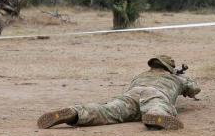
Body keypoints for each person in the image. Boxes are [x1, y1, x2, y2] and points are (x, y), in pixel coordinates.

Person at [37, 55, 201, 130]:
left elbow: (132, 87)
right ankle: (155, 117)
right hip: (155, 93)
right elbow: (195, 89)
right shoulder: (175, 78)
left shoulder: (139, 75)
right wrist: (182, 78)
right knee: (157, 106)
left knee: (106, 111)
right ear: (168, 68)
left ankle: (75, 112)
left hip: (131, 94)